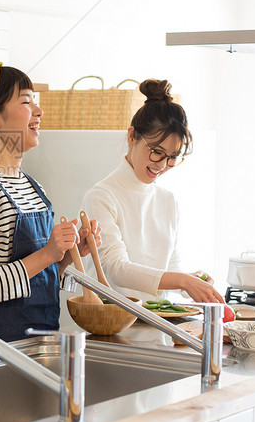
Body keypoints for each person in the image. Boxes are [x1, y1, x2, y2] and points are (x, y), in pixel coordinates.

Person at [0, 59, 102, 342]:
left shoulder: (33, 187)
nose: (39, 111)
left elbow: (39, 279)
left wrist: (65, 255)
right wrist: (46, 254)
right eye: (27, 102)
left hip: (37, 346)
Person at [80, 79, 223, 304]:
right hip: (111, 327)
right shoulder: (102, 196)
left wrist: (190, 281)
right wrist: (183, 281)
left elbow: (171, 268)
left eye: (172, 157)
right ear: (131, 136)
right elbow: (116, 268)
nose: (162, 165)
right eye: (157, 152)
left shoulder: (168, 200)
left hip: (157, 326)